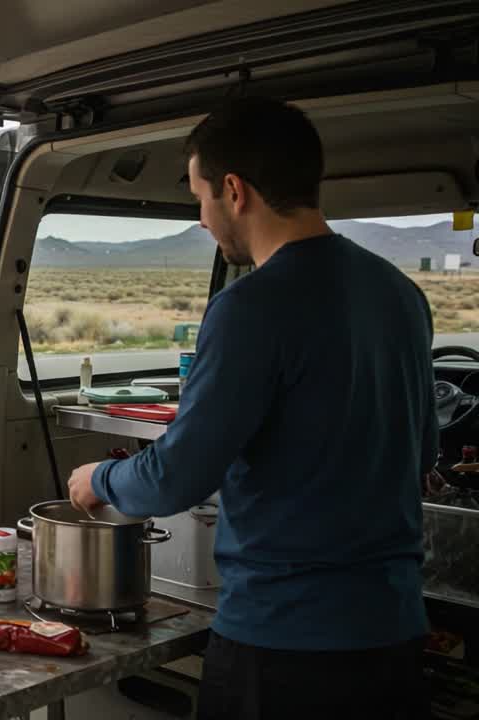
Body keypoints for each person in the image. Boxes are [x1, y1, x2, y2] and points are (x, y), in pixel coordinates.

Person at [66, 96, 436, 719]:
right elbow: (421, 452)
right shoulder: (401, 294)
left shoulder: (252, 307)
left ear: (234, 190)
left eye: (199, 196)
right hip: (393, 637)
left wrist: (97, 480)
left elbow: (177, 475)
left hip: (286, 645)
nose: (202, 217)